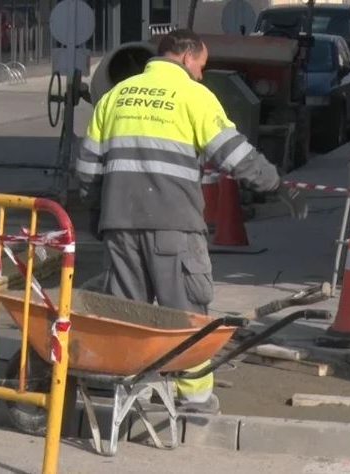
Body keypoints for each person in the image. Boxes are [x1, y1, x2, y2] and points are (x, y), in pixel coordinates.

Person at [76, 29, 305, 414]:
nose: (201, 74)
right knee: (187, 310)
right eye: (201, 65)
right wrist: (274, 183)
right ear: (185, 58)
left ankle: (136, 392)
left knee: (128, 312)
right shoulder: (193, 96)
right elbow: (234, 154)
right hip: (174, 225)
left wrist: (98, 214)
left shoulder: (115, 97)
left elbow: (87, 170)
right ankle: (194, 397)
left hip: (120, 224)